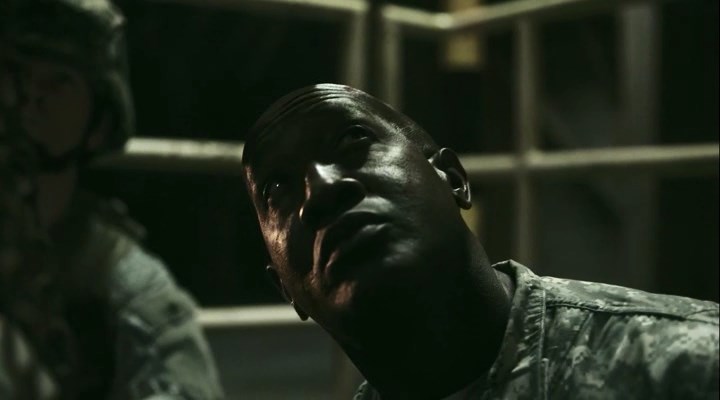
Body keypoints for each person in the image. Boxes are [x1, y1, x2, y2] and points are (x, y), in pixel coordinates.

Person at [241, 83, 719, 400]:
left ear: (453, 178)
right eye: (278, 190)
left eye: (352, 140)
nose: (322, 191)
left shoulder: (686, 364)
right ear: (285, 288)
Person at [0, 0, 224, 398]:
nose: (29, 99)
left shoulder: (125, 285)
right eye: (15, 76)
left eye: (57, 82)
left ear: (99, 120)